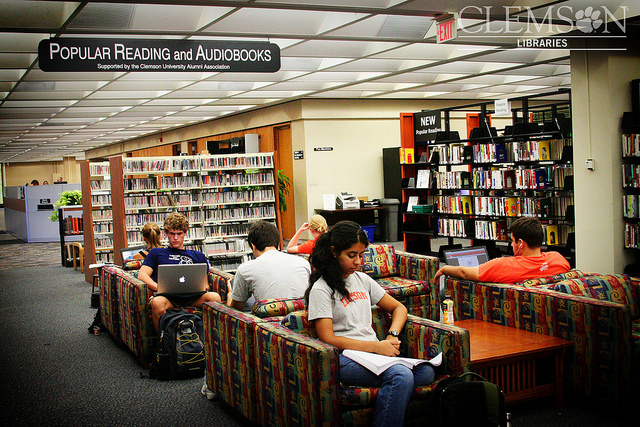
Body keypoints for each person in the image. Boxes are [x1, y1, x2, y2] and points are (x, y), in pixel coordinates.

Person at [305, 221, 435, 426]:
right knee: (401, 375)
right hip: (345, 357)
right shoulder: (322, 289)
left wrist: (392, 335)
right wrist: (377, 346)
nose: (358, 261)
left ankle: (391, 395)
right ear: (333, 252)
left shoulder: (362, 280)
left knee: (426, 372)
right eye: (351, 255)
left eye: (361, 255)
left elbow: (399, 308)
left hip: (373, 353)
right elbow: (327, 338)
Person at [137, 212, 222, 332]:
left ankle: (210, 340)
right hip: (168, 298)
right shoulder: (156, 253)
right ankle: (163, 345)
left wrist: (200, 287)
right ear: (166, 233)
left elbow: (206, 284)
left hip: (193, 297)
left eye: (179, 234)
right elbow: (142, 274)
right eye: (172, 234)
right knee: (157, 303)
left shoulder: (198, 256)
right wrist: (159, 287)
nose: (175, 238)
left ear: (185, 233)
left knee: (215, 297)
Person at [434, 216, 570, 284]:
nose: (511, 245)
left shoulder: (504, 265)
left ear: (521, 243)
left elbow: (464, 273)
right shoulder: (557, 259)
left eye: (512, 241)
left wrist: (445, 269)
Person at [229, 221, 310, 311]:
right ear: (278, 243)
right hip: (302, 318)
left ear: (253, 246)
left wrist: (230, 296)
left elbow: (237, 309)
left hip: (267, 321)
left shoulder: (245, 269)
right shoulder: (303, 263)